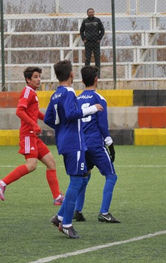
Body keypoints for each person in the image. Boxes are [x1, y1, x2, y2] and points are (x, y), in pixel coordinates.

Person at [45, 60, 103, 238]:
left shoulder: (55, 94)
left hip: (64, 141)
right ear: (71, 75)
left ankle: (61, 216)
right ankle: (66, 224)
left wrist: (61, 129)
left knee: (80, 178)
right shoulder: (69, 92)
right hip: (74, 143)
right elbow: (71, 114)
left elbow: (48, 118)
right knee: (77, 181)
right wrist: (91, 109)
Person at [0, 67, 63, 205]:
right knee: (31, 165)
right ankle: (2, 183)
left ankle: (57, 197)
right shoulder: (28, 92)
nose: (38, 79)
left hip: (33, 135)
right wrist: (33, 125)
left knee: (51, 163)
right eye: (35, 77)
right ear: (28, 80)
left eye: (39, 76)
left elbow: (35, 113)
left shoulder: (32, 93)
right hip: (28, 135)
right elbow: (19, 111)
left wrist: (53, 123)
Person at [73, 65, 120, 223]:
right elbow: (102, 124)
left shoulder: (77, 99)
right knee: (111, 176)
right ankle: (104, 212)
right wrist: (110, 143)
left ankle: (77, 211)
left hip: (81, 144)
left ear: (82, 80)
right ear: (96, 79)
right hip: (95, 144)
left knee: (84, 177)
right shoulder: (99, 99)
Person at [80, 8, 104, 77]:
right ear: (87, 13)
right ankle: (86, 75)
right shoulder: (85, 21)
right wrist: (83, 39)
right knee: (87, 59)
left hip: (96, 42)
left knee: (97, 59)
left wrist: (99, 38)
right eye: (90, 12)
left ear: (94, 13)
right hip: (88, 43)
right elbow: (81, 31)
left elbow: (102, 30)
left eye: (92, 12)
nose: (91, 13)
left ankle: (98, 75)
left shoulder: (97, 20)